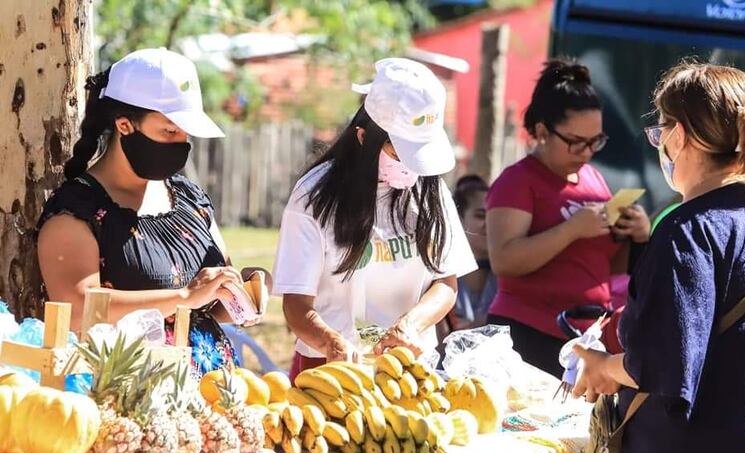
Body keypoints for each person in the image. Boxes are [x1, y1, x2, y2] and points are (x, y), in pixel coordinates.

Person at [573, 62, 745, 453]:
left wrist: (603, 367)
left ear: (678, 136)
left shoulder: (689, 230)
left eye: (659, 132)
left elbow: (665, 361)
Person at [37, 48, 260, 376]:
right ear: (125, 124)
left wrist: (247, 291)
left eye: (185, 133)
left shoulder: (189, 199)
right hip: (133, 400)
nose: (181, 142)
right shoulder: (76, 213)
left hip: (215, 396)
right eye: (169, 131)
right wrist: (182, 296)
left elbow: (211, 303)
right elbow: (76, 310)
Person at [272, 58, 476, 381]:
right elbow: (296, 304)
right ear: (364, 138)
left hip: (409, 371)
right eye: (400, 154)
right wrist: (329, 341)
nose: (411, 167)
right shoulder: (313, 195)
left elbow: (446, 283)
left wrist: (411, 325)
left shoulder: (429, 188)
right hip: (329, 372)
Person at [485, 59, 650, 376]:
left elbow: (602, 268)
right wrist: (572, 229)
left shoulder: (594, 179)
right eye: (576, 142)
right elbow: (504, 260)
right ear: (543, 132)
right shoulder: (518, 181)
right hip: (526, 333)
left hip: (584, 339)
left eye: (596, 141)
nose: (587, 152)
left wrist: (637, 235)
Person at [444, 175, 496, 331]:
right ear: (458, 220)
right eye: (480, 215)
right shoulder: (441, 272)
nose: (489, 223)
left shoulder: (510, 276)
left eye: (495, 216)